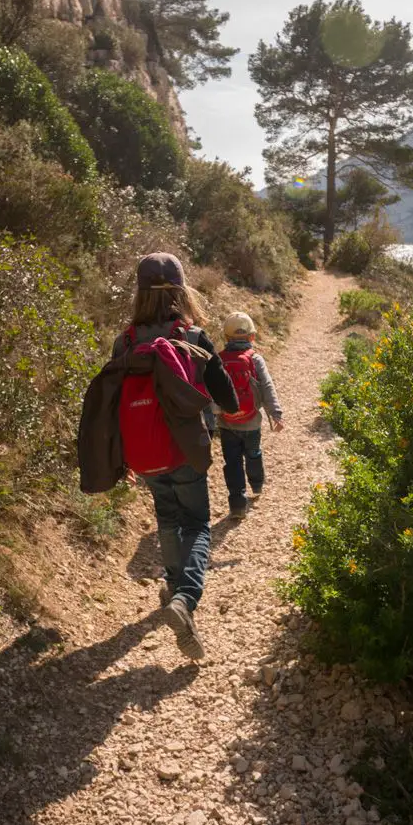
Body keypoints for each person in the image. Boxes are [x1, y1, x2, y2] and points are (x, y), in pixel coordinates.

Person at [111, 253, 238, 660]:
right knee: (197, 523)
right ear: (181, 291)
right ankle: (185, 598)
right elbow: (226, 397)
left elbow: (111, 403)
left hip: (145, 456)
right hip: (185, 451)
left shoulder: (125, 342)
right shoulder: (194, 338)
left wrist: (122, 457)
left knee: (167, 518)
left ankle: (172, 584)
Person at [217, 311, 284, 519]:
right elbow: (267, 387)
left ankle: (237, 505)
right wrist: (276, 413)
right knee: (253, 454)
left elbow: (211, 392)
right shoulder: (255, 359)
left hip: (227, 424)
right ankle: (256, 484)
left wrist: (211, 418)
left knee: (233, 463)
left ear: (226, 338)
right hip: (252, 422)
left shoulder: (218, 360)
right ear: (252, 337)